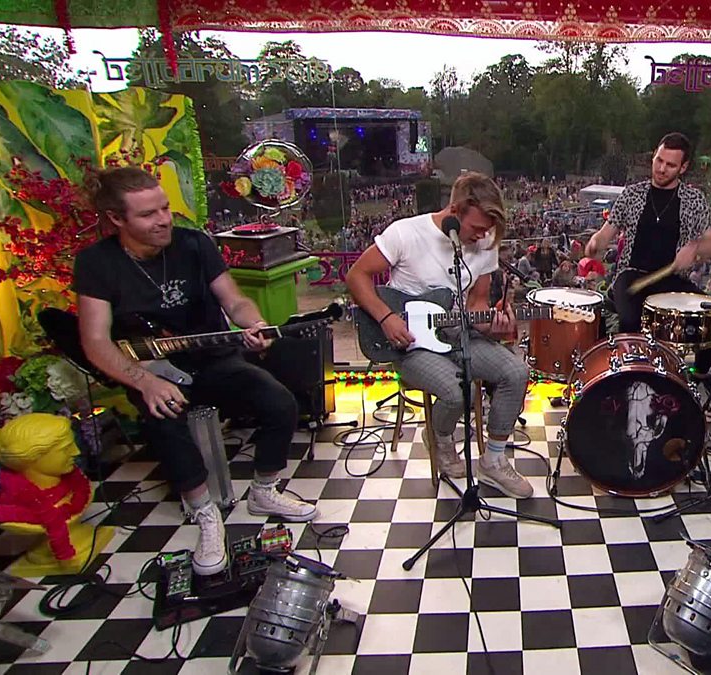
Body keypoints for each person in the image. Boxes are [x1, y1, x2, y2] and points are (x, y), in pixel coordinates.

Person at [74, 167, 316, 577]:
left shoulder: (195, 244)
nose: (163, 220)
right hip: (152, 369)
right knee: (165, 420)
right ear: (116, 219)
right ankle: (204, 511)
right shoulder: (96, 263)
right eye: (148, 214)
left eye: (165, 208)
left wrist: (253, 323)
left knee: (279, 402)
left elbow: (234, 301)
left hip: (214, 358)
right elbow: (95, 341)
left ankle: (264, 490)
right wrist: (145, 382)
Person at [346, 173, 533, 498]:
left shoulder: (486, 240)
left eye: (488, 230)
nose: (483, 236)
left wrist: (495, 326)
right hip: (409, 342)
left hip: (457, 332)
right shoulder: (406, 233)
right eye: (477, 228)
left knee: (516, 372)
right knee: (458, 392)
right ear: (455, 210)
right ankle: (441, 438)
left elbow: (476, 304)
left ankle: (493, 460)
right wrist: (386, 317)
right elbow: (356, 276)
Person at [586, 132, 711, 418]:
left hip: (672, 282)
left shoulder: (693, 200)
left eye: (670, 165)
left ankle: (696, 381)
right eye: (659, 160)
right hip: (632, 275)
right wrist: (595, 243)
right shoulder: (633, 194)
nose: (661, 169)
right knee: (630, 322)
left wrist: (695, 248)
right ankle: (628, 391)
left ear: (683, 168)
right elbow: (606, 233)